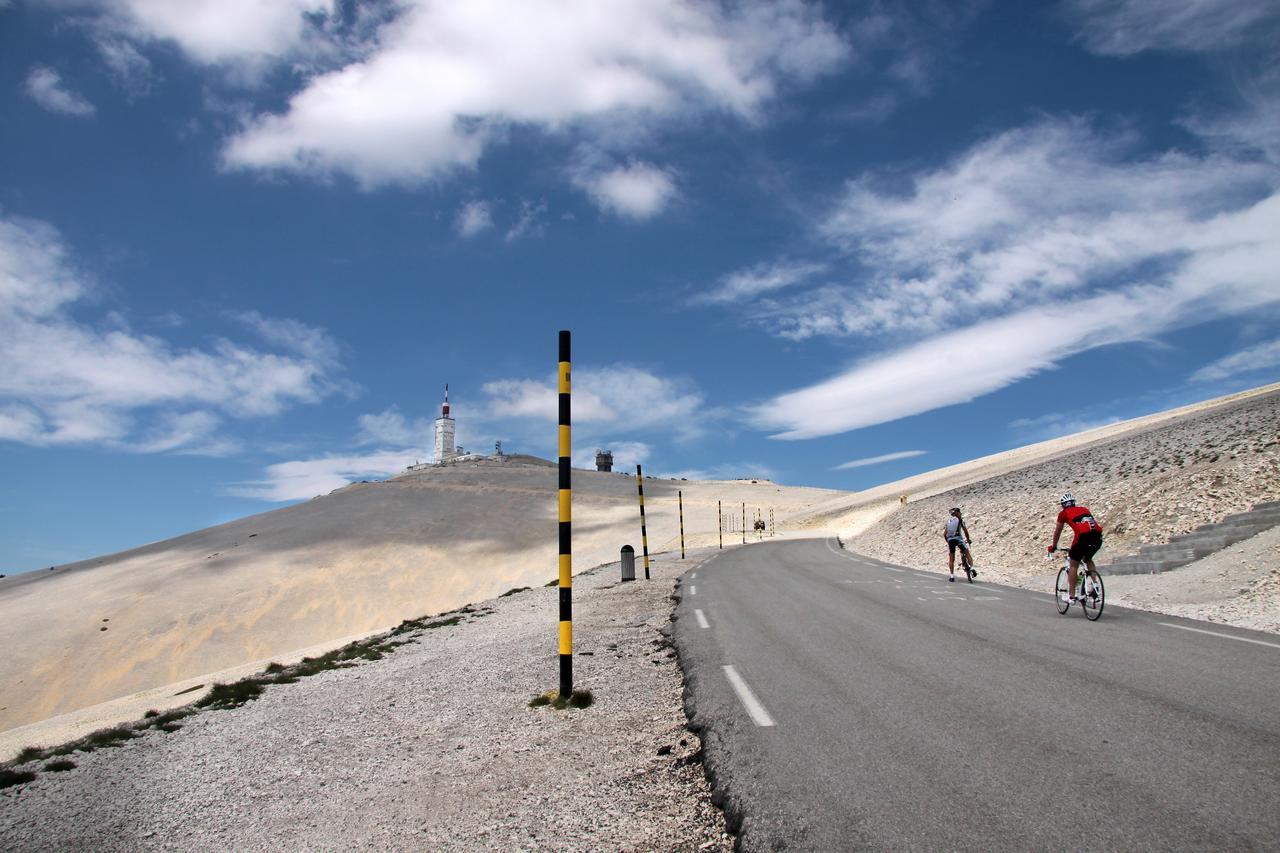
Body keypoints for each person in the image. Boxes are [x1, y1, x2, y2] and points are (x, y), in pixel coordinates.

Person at [1048, 492, 1103, 603]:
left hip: (1082, 536)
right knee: (1088, 559)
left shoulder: (1063, 513)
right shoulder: (1084, 509)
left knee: (1074, 564)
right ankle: (1095, 585)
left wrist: (1054, 546)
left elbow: (1058, 531)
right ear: (1073, 503)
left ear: (1063, 505)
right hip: (1097, 536)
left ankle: (1071, 596)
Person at [943, 507, 974, 582]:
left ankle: (952, 576)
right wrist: (968, 539)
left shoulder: (948, 521)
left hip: (950, 540)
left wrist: (948, 541)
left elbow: (944, 534)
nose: (960, 514)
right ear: (957, 513)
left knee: (951, 558)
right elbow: (965, 531)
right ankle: (972, 568)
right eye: (959, 512)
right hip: (958, 539)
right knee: (967, 552)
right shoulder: (960, 520)